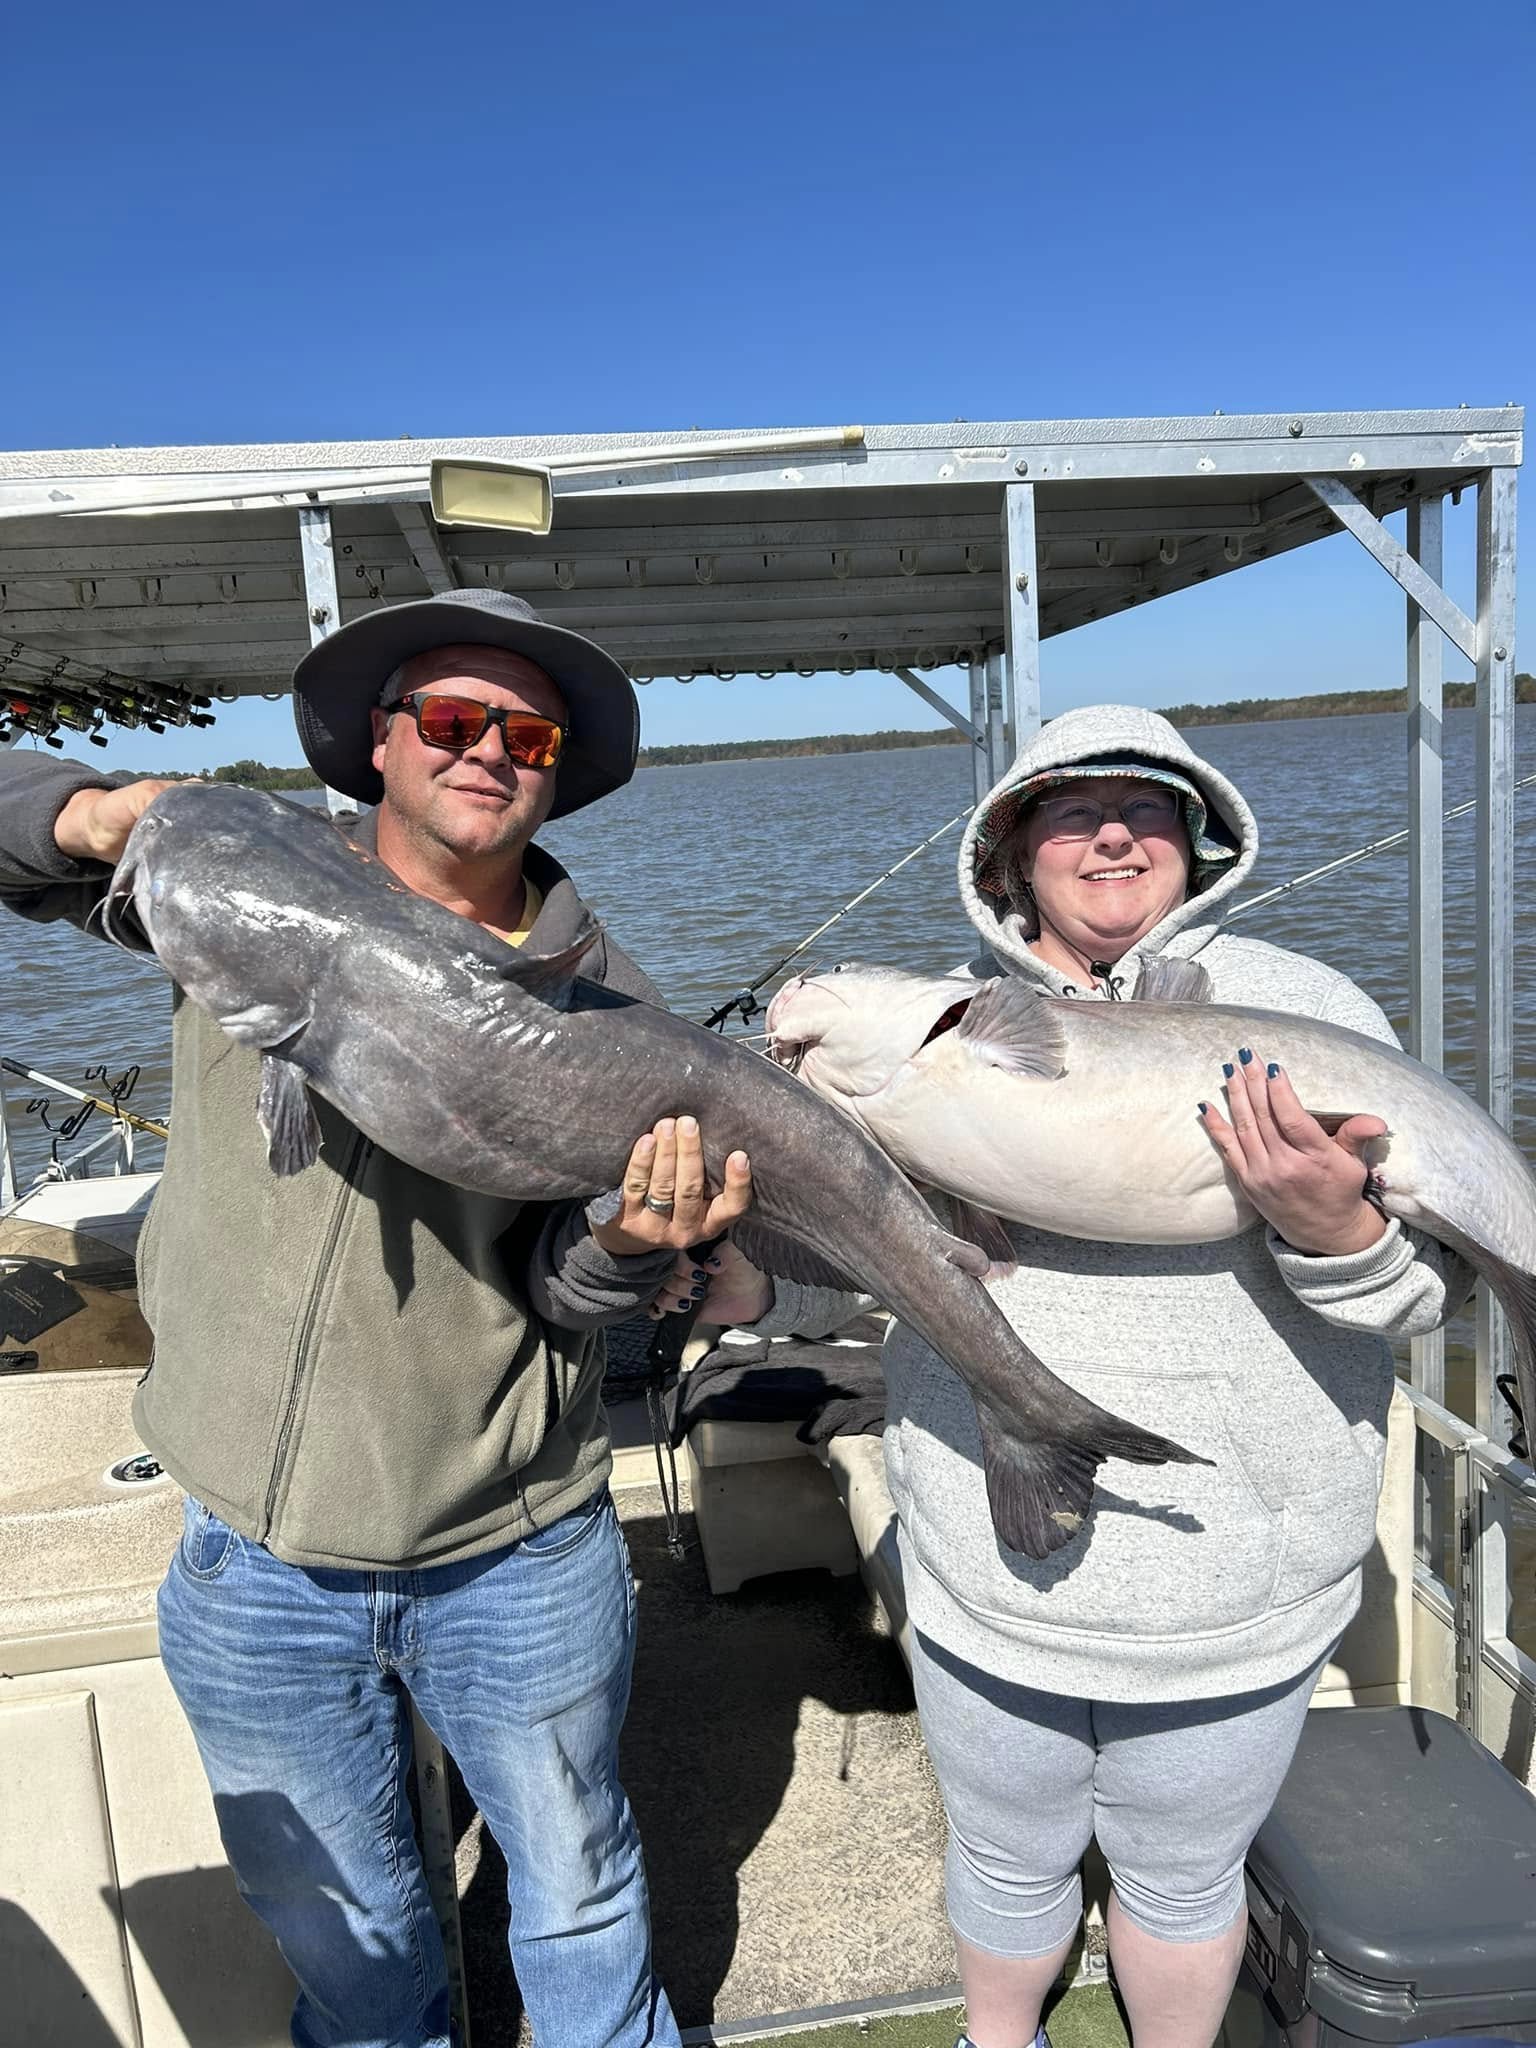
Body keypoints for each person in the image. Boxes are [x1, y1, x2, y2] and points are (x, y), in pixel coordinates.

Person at [0, 587, 749, 2048]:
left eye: (523, 731)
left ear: (556, 766)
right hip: (253, 1555)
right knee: (337, 1919)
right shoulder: (236, 884)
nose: (488, 751)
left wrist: (629, 1246)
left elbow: (565, 1294)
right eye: (452, 718)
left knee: (580, 1884)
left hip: (514, 1543)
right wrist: (101, 814)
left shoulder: (610, 1009)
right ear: (382, 744)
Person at [663, 703, 1473, 2048]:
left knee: (1183, 1874)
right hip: (995, 1557)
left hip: (1236, 1569)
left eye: (1149, 806)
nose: (1112, 833)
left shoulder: (1315, 1011)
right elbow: (879, 1255)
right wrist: (746, 1284)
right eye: (1068, 810)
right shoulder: (903, 1042)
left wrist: (1338, 1235)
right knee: (1003, 1857)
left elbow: (1420, 1295)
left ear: (1197, 840)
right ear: (1007, 857)